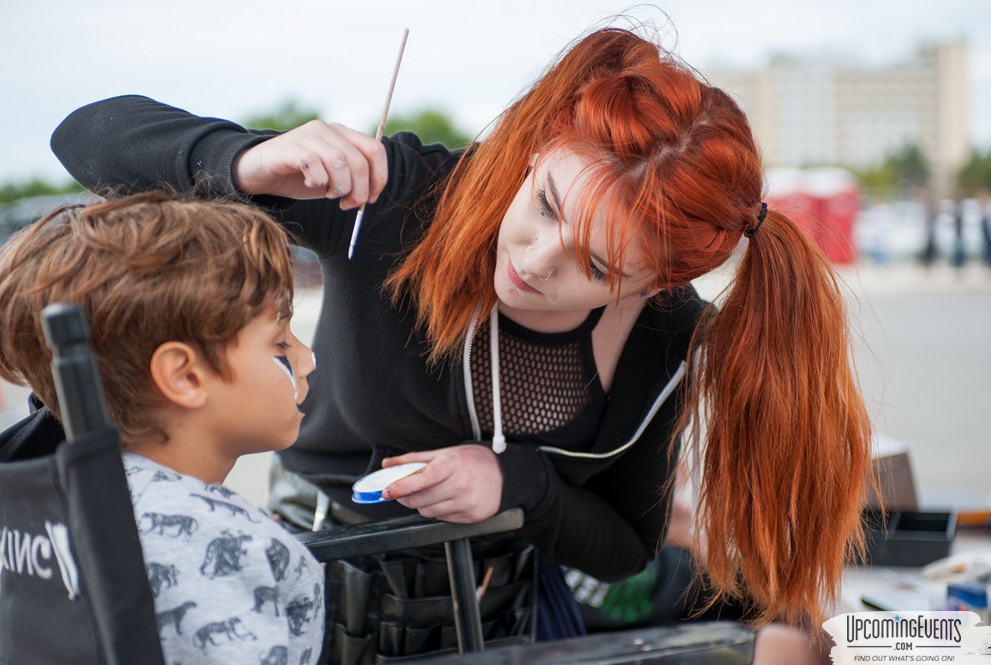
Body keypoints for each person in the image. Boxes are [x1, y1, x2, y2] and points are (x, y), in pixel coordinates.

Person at [49, 24, 873, 661]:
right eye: (546, 202)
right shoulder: (403, 199)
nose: (534, 259)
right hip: (323, 577)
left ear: (652, 283)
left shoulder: (666, 338)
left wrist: (516, 484)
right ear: (545, 141)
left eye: (595, 264)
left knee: (781, 623)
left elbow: (625, 547)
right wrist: (246, 159)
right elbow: (84, 133)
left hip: (506, 610)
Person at [0, 191, 324, 664]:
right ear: (184, 376)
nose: (307, 359)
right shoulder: (218, 540)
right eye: (280, 342)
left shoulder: (59, 503)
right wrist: (235, 537)